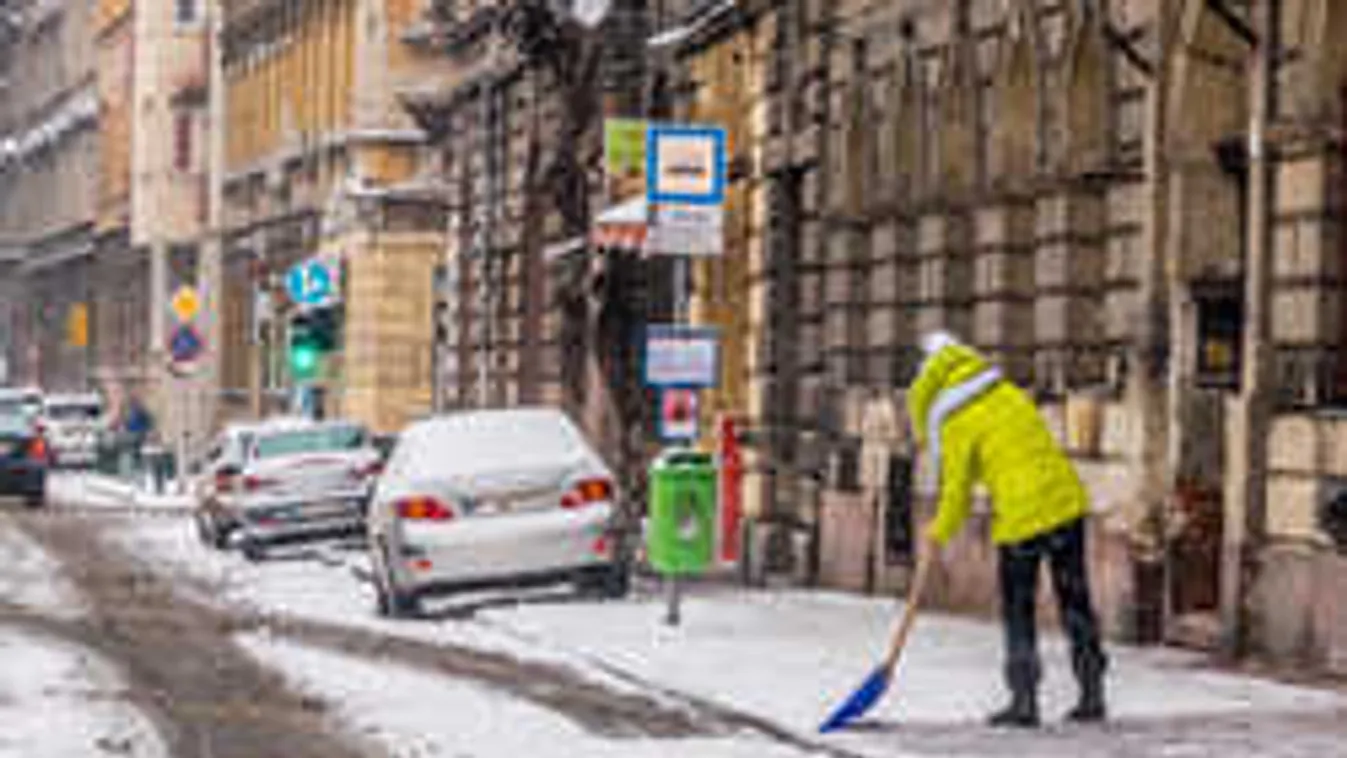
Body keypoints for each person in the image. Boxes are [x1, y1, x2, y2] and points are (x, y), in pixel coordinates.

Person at [906, 331, 1107, 727]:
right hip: (1066, 504)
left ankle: (1024, 700)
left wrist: (937, 532)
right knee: (1075, 600)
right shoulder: (1007, 393)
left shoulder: (958, 419)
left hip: (1022, 519)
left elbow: (957, 490)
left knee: (1020, 610)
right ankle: (1092, 692)